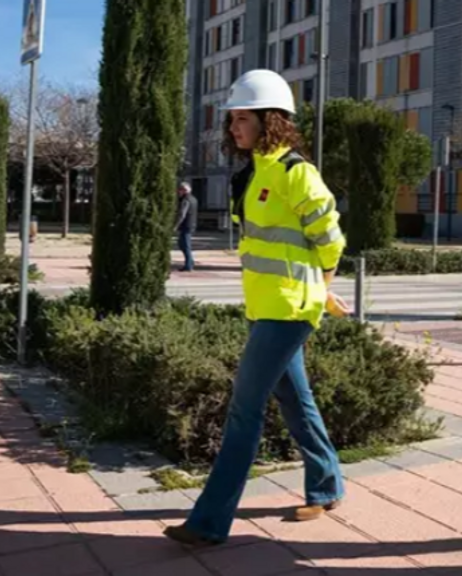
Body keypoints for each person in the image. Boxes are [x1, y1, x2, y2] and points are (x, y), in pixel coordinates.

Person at [163, 69, 351, 547]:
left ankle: (209, 523)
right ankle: (327, 484)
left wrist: (321, 290)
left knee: (244, 412)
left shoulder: (296, 172)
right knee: (295, 399)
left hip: (288, 311)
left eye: (241, 118)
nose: (233, 128)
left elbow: (331, 241)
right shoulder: (254, 173)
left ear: (271, 119)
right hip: (266, 305)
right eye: (231, 120)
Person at [175, 181, 198, 272]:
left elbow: (182, 214)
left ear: (184, 190)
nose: (178, 192)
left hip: (186, 225)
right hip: (191, 224)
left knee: (185, 245)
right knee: (183, 244)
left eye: (180, 190)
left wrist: (176, 225)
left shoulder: (186, 200)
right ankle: (190, 262)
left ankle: (189, 265)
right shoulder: (193, 199)